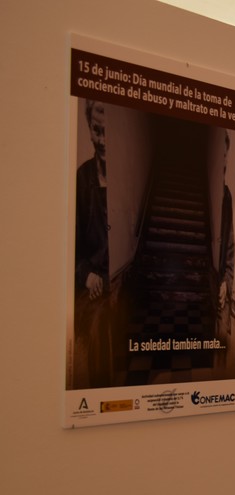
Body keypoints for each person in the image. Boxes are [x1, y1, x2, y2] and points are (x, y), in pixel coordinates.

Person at [73, 98, 112, 388]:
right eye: (96, 130)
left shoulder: (128, 180)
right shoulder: (81, 180)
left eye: (108, 131)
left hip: (122, 281)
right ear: (88, 127)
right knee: (100, 326)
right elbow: (69, 251)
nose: (102, 140)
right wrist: (86, 275)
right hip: (94, 291)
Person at [218, 130, 235, 335]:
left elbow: (230, 247)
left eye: (225, 155)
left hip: (219, 284)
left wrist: (226, 283)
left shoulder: (226, 196)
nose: (224, 160)